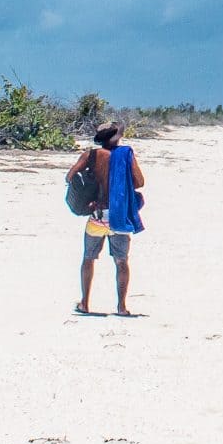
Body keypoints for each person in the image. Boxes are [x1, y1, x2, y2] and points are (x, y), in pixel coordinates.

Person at [67, 121, 146, 316]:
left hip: (96, 215)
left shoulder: (91, 155)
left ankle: (85, 303)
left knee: (88, 258)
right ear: (115, 137)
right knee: (121, 261)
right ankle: (121, 307)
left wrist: (90, 193)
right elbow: (140, 182)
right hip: (119, 215)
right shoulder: (125, 155)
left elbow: (70, 177)